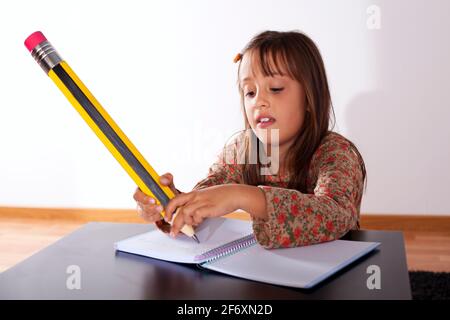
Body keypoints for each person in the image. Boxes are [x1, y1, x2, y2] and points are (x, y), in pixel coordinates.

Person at [133, 30, 366, 249]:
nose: (259, 101)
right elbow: (208, 197)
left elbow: (336, 215)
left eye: (275, 88)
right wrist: (172, 205)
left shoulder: (335, 153)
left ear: (309, 97)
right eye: (250, 92)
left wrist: (239, 195)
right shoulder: (246, 150)